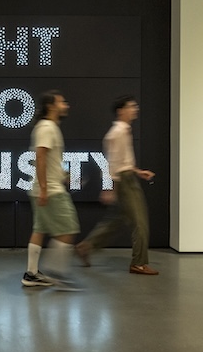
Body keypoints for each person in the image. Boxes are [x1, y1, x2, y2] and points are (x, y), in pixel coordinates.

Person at [76, 95, 158, 275]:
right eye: (131, 106)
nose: (135, 109)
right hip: (125, 182)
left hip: (128, 177)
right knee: (140, 223)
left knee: (119, 219)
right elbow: (112, 164)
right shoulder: (118, 133)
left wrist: (137, 171)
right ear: (121, 111)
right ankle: (138, 263)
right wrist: (109, 188)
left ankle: (87, 246)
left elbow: (122, 162)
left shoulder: (123, 131)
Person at [21, 90, 82, 291]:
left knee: (39, 230)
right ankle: (57, 273)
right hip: (50, 191)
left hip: (44, 188)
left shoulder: (48, 127)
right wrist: (45, 189)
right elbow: (40, 157)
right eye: (62, 102)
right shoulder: (47, 127)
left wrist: (65, 176)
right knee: (68, 229)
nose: (66, 105)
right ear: (51, 106)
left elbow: (50, 160)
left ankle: (31, 274)